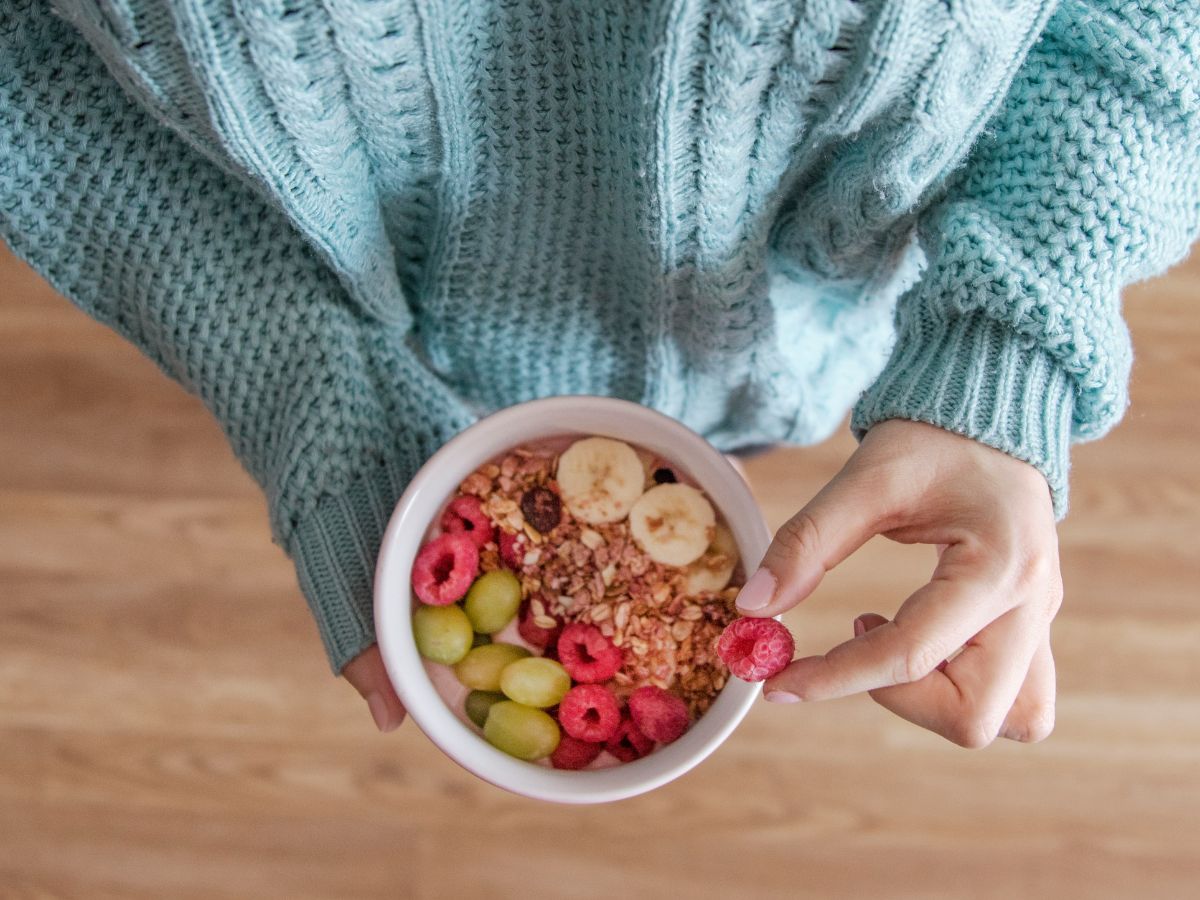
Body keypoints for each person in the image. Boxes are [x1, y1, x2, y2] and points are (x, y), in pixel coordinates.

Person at [2, 0, 1197, 749]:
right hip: (371, 307)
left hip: (799, 336)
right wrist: (308, 379)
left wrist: (1006, 349)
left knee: (757, 426)